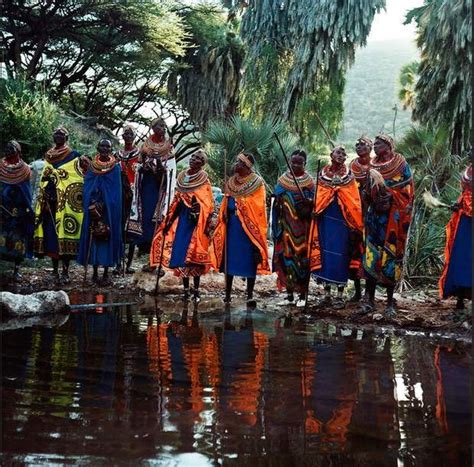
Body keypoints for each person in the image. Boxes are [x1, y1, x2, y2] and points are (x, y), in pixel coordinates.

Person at [150, 150, 216, 302]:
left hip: (197, 224)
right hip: (182, 222)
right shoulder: (182, 177)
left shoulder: (204, 181)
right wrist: (169, 222)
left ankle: (197, 291)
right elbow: (177, 203)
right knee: (182, 256)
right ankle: (186, 291)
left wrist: (198, 208)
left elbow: (208, 204)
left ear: (202, 164)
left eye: (199, 159)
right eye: (193, 156)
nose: (194, 159)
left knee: (194, 257)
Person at [361, 134, 414, 317]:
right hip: (374, 218)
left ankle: (390, 302)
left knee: (390, 257)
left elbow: (407, 193)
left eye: (379, 143)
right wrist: (367, 197)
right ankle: (369, 299)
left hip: (393, 220)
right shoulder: (373, 165)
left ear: (389, 145)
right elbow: (367, 190)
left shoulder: (401, 164)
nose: (375, 146)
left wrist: (391, 196)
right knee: (371, 256)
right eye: (374, 143)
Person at [210, 152, 270, 305]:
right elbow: (227, 199)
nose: (235, 164)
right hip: (232, 226)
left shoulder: (257, 183)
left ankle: (249, 295)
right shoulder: (231, 182)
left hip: (249, 228)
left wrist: (240, 204)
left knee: (249, 260)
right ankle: (228, 294)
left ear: (245, 166)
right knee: (229, 259)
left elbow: (258, 206)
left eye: (238, 162)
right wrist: (225, 210)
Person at [309, 146, 363, 309]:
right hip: (325, 220)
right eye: (338, 153)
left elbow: (354, 201)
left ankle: (340, 294)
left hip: (343, 222)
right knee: (325, 255)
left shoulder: (349, 177)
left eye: (343, 154)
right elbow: (319, 196)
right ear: (331, 155)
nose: (341, 156)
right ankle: (326, 294)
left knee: (341, 255)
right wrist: (316, 208)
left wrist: (338, 192)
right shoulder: (323, 174)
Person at [33, 127, 86, 284]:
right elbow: (45, 177)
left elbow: (76, 178)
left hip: (67, 203)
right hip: (50, 202)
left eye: (61, 134)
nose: (58, 136)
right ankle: (55, 271)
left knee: (65, 234)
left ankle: (65, 271)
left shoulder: (73, 155)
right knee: (51, 236)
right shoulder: (48, 155)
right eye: (56, 134)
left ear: (67, 137)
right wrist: (47, 189)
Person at [127, 118, 176, 271]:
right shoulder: (145, 145)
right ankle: (151, 261)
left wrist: (161, 169)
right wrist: (144, 167)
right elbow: (139, 166)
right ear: (153, 128)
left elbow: (170, 170)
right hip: (147, 190)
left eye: (163, 125)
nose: (163, 128)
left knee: (160, 225)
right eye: (159, 126)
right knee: (147, 224)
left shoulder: (169, 147)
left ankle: (161, 263)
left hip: (161, 191)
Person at [272, 149, 314, 307]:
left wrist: (309, 201)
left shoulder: (309, 182)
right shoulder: (283, 181)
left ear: (305, 163)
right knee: (286, 260)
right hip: (285, 228)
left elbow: (315, 203)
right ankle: (289, 295)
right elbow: (276, 204)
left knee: (302, 261)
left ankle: (302, 295)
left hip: (303, 229)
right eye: (293, 162)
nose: (296, 165)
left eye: (299, 163)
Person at [77, 139, 123, 284]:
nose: (104, 148)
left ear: (110, 149)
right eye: (102, 145)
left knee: (108, 236)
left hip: (109, 210)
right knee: (95, 236)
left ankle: (106, 274)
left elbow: (116, 192)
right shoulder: (92, 168)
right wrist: (93, 201)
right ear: (97, 147)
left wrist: (106, 203)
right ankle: (95, 272)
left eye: (107, 146)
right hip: (93, 208)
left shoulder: (115, 168)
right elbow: (87, 187)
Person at [439, 163, 472, 311]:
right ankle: (460, 297)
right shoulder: (468, 171)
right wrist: (458, 204)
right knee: (460, 258)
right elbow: (465, 194)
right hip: (465, 221)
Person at [0, 141, 33, 281]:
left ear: (18, 152)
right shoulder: (0, 166)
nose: (8, 151)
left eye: (11, 149)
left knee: (18, 240)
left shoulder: (25, 169)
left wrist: (25, 208)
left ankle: (16, 270)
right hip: (1, 209)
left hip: (17, 211)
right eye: (6, 148)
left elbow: (26, 192)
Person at [348, 136, 373, 302]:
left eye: (363, 144)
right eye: (357, 145)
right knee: (354, 252)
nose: (359, 147)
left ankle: (369, 293)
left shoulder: (376, 164)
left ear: (370, 147)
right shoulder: (352, 166)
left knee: (370, 253)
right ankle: (357, 291)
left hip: (371, 215)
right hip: (354, 214)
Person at [114, 125, 138, 274]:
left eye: (130, 134)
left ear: (134, 137)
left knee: (132, 229)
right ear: (122, 137)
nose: (128, 136)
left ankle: (128, 264)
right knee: (119, 228)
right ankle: (118, 264)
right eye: (125, 134)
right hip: (119, 193)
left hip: (134, 196)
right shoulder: (117, 154)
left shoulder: (139, 154)